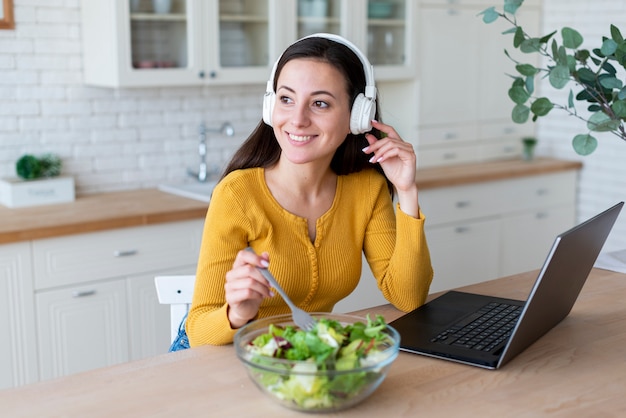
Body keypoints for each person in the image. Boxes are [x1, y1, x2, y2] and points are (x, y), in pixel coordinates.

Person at [185, 33, 433, 347]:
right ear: (270, 105)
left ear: (357, 116)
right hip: (230, 355)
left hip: (302, 356)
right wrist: (237, 314)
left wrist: (407, 191)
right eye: (286, 99)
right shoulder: (236, 194)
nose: (297, 120)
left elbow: (409, 298)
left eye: (319, 103)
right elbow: (198, 332)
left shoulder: (366, 189)